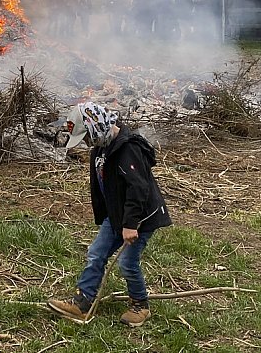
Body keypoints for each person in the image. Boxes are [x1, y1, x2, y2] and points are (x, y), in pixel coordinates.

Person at [47, 101, 171, 327]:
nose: (85, 143)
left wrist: (131, 225)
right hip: (117, 216)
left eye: (85, 137)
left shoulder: (128, 148)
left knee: (127, 262)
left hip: (140, 218)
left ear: (95, 126)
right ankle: (83, 303)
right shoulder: (101, 148)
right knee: (96, 253)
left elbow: (139, 189)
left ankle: (140, 305)